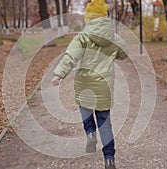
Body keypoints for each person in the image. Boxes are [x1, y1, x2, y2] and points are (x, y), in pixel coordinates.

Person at [51, 0, 127, 168]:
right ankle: (109, 159)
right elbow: (123, 54)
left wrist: (59, 74)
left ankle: (90, 133)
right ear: (105, 17)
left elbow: (71, 56)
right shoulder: (113, 38)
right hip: (104, 86)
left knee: (86, 112)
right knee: (105, 123)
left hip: (84, 84)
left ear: (89, 18)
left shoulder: (82, 37)